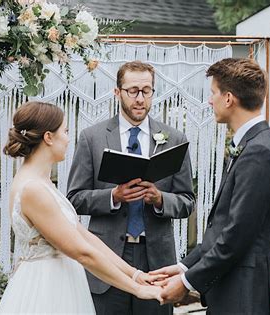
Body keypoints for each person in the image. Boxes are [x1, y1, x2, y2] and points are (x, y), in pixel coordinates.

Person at [0, 101, 163, 314]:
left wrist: (136, 274)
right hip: (46, 290)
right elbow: (82, 252)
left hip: (62, 280)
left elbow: (84, 237)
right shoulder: (33, 189)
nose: (68, 139)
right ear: (48, 137)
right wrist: (137, 290)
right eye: (64, 131)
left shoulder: (43, 182)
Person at [152, 58, 270, 315]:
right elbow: (223, 227)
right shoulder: (251, 145)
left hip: (245, 295)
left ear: (228, 98)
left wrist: (187, 282)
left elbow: (236, 236)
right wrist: (184, 266)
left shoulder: (259, 152)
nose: (209, 101)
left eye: (213, 93)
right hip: (232, 289)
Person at [67, 61, 195, 315]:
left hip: (156, 261)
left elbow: (187, 202)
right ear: (118, 93)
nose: (140, 99)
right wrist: (113, 196)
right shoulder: (92, 138)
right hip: (108, 259)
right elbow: (74, 198)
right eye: (133, 91)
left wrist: (159, 200)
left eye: (146, 91)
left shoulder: (174, 139)